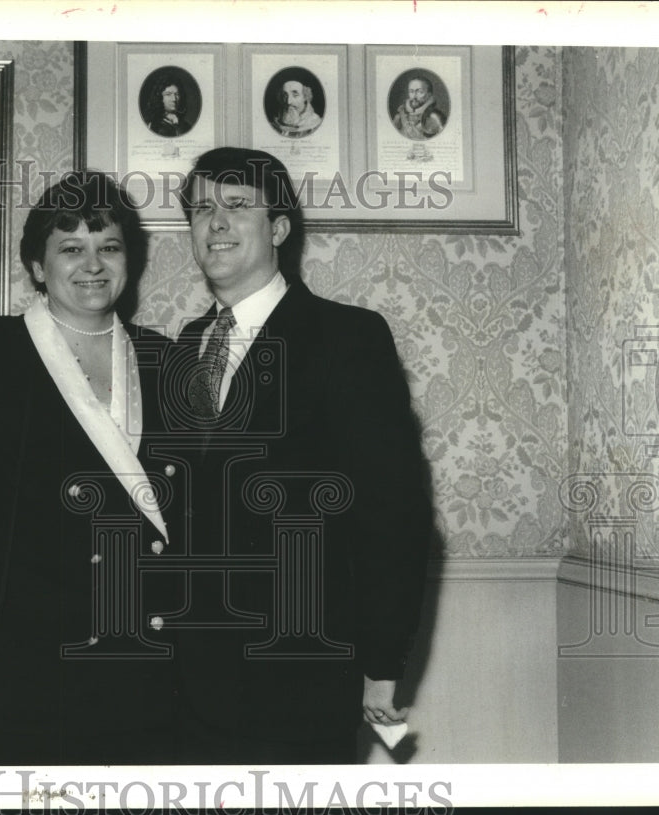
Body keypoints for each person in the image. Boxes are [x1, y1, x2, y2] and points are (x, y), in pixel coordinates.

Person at [0, 171, 180, 766]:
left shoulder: (162, 359)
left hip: (147, 669)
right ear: (35, 265)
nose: (93, 265)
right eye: (70, 248)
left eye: (109, 246)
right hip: (19, 669)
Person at [168, 147, 432, 764]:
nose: (216, 224)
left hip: (302, 674)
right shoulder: (186, 345)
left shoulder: (348, 339)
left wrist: (382, 663)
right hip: (187, 683)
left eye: (238, 206)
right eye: (203, 209)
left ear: (279, 229)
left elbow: (394, 512)